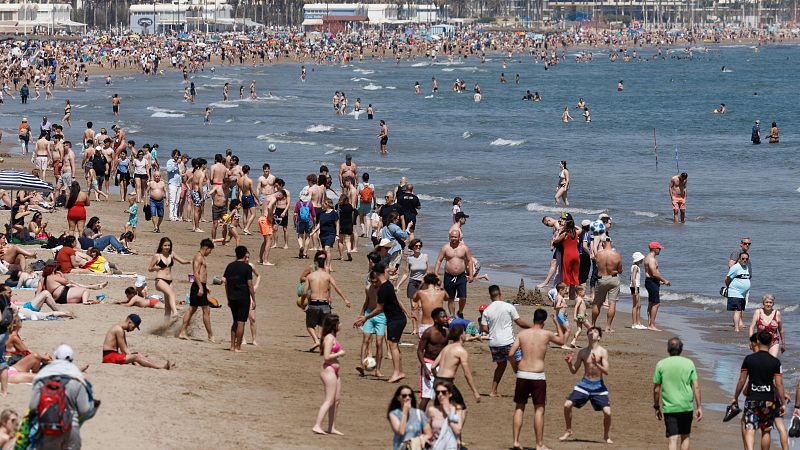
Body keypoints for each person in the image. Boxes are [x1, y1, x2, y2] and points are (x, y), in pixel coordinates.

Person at [509, 309, 566, 450]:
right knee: (539, 410)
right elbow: (562, 340)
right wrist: (556, 322)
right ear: (544, 321)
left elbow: (510, 353)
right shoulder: (546, 334)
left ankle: (516, 441)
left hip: (522, 373)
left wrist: (515, 367)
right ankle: (539, 444)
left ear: (534, 319)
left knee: (519, 407)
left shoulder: (522, 334)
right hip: (537, 375)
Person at [28, 345, 99, 449]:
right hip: (70, 427)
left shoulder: (42, 377)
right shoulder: (77, 379)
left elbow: (33, 406)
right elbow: (84, 410)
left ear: (55, 357)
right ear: (72, 359)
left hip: (46, 427)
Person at [354, 262, 412, 383]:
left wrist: (365, 318)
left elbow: (379, 308)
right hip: (397, 319)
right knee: (394, 346)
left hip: (396, 320)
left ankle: (397, 372)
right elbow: (386, 272)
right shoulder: (387, 285)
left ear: (375, 274)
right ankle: (399, 371)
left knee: (393, 346)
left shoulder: (383, 289)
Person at [732, 331, 786, 450]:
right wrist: (782, 402)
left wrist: (735, 397)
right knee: (766, 431)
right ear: (771, 342)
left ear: (757, 341)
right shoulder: (775, 362)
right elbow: (779, 384)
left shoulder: (749, 359)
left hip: (752, 399)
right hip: (769, 400)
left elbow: (741, 380)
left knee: (750, 428)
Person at [559, 327, 612, 444]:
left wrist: (596, 363)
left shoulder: (603, 352)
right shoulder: (582, 352)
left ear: (599, 337)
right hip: (584, 384)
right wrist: (569, 363)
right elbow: (574, 371)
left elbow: (606, 371)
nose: (591, 333)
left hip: (598, 386)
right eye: (589, 332)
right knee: (567, 405)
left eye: (595, 332)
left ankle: (606, 436)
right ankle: (568, 430)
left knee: (608, 412)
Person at [653, 337, 703, 450]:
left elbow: (656, 389)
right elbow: (696, 387)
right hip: (686, 406)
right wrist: (699, 406)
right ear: (681, 349)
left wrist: (656, 406)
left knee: (673, 438)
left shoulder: (661, 364)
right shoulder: (689, 363)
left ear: (668, 349)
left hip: (670, 407)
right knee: (685, 437)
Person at [481, 285, 529, 397]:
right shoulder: (508, 306)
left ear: (490, 296)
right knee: (520, 365)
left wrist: (492, 332)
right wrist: (533, 327)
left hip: (494, 343)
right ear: (500, 294)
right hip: (508, 342)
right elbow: (520, 323)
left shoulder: (487, 310)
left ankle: (493, 391)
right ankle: (525, 390)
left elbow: (484, 328)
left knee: (501, 366)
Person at [303, 253, 351, 351]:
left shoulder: (310, 276)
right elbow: (336, 287)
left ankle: (316, 340)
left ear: (316, 264)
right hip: (325, 304)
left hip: (313, 303)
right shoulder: (327, 276)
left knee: (310, 325)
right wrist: (345, 300)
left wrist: (303, 302)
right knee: (326, 325)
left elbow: (304, 292)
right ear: (324, 265)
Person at [178, 239, 216, 342]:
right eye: (210, 250)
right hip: (197, 286)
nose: (210, 253)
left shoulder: (200, 257)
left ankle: (182, 332)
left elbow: (202, 273)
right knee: (205, 310)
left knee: (193, 309)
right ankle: (210, 335)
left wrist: (205, 285)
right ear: (206, 248)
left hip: (200, 285)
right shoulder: (199, 257)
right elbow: (195, 273)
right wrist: (200, 287)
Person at [313, 314, 345, 435]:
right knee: (329, 400)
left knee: (336, 400)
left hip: (335, 371)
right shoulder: (329, 338)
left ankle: (331, 427)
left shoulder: (332, 337)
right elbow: (326, 357)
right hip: (328, 370)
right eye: (339, 323)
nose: (340, 325)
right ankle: (317, 425)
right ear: (334, 325)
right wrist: (339, 354)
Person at [102, 314, 172, 369]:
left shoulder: (119, 329)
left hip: (112, 355)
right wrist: (135, 360)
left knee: (137, 355)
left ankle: (161, 364)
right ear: (129, 322)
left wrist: (135, 357)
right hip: (109, 357)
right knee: (136, 356)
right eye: (134, 327)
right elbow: (124, 350)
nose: (133, 329)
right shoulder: (119, 330)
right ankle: (161, 367)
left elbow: (125, 349)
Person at [148, 237, 190, 321]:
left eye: (169, 245)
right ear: (161, 246)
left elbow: (182, 261)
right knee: (171, 294)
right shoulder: (157, 256)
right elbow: (149, 268)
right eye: (165, 245)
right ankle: (175, 312)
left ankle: (165, 325)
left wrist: (191, 261)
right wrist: (156, 269)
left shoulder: (172, 254)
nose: (167, 247)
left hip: (170, 281)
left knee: (167, 307)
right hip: (160, 280)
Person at [222, 245, 256, 353]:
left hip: (232, 297)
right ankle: (238, 347)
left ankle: (232, 346)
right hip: (243, 297)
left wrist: (228, 297)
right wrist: (253, 299)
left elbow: (226, 283)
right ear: (245, 254)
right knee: (241, 322)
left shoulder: (230, 266)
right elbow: (250, 284)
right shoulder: (247, 267)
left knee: (234, 322)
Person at [434, 230, 475, 317]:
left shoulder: (464, 248)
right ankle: (452, 315)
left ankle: (460, 312)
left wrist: (471, 274)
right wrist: (436, 273)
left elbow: (469, 261)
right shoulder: (445, 248)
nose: (453, 239)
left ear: (459, 237)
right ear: (449, 237)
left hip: (461, 276)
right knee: (450, 298)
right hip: (449, 275)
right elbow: (439, 260)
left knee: (463, 297)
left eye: (455, 237)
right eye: (452, 237)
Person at [417, 307, 449, 411]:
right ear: (435, 319)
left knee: (442, 395)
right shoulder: (428, 332)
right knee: (426, 397)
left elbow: (460, 337)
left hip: (442, 366)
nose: (445, 318)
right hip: (429, 364)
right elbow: (420, 351)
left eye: (446, 316)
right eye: (443, 317)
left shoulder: (447, 332)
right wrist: (425, 367)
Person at [356, 271, 386, 377]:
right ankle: (361, 365)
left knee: (379, 343)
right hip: (369, 314)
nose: (374, 284)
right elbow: (366, 301)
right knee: (366, 339)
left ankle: (378, 369)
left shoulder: (384, 289)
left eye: (375, 281)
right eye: (371, 281)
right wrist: (361, 315)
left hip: (381, 316)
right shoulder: (368, 288)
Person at [388, 385, 432, 450]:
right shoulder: (394, 414)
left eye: (410, 395)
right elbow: (401, 432)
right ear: (398, 398)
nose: (407, 398)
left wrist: (423, 438)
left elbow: (429, 434)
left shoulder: (419, 413)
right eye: (404, 396)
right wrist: (405, 413)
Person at [592, 236, 622, 332]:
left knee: (597, 303)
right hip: (613, 279)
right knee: (612, 303)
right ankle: (608, 327)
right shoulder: (616, 255)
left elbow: (597, 265)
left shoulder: (599, 254)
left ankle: (593, 324)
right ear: (611, 242)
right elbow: (620, 270)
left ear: (603, 243)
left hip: (602, 279)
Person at [427, 381, 466, 450]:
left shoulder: (457, 410)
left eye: (444, 392)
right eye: (437, 392)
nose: (440, 394)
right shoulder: (432, 410)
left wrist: (448, 413)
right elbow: (428, 432)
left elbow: (457, 430)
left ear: (450, 394)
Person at [644, 242, 670, 331]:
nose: (660, 250)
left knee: (651, 303)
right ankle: (651, 325)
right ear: (654, 249)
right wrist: (664, 280)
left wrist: (659, 281)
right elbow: (654, 273)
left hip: (651, 281)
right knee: (656, 303)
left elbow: (653, 273)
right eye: (659, 248)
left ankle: (649, 324)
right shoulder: (651, 259)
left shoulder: (649, 257)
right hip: (651, 281)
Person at [725, 251, 751, 333]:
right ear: (739, 259)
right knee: (737, 310)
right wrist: (729, 287)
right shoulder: (735, 267)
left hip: (742, 294)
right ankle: (736, 328)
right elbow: (727, 279)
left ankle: (737, 326)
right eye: (743, 259)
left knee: (740, 309)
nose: (744, 260)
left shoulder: (746, 267)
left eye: (746, 259)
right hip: (735, 292)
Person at [630, 252, 646, 329]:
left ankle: (638, 323)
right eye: (641, 259)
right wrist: (635, 288)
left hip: (635, 286)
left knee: (638, 305)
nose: (642, 260)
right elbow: (633, 278)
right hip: (635, 287)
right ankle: (634, 323)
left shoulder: (634, 266)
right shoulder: (635, 267)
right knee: (635, 305)